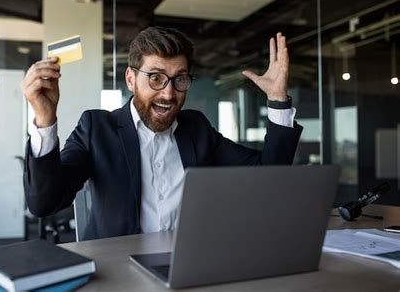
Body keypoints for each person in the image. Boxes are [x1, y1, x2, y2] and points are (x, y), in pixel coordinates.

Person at [21, 27, 303, 240]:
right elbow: (44, 203)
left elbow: (270, 174)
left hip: (192, 265)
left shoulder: (197, 128)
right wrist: (45, 120)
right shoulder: (97, 129)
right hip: (120, 273)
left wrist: (278, 100)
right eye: (155, 77)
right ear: (131, 79)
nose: (168, 93)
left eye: (179, 79)